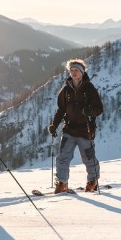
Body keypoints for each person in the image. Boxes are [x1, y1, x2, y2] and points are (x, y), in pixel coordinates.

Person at [49, 58, 104, 192]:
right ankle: (62, 183)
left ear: (82, 72)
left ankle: (92, 181)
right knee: (63, 157)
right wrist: (54, 125)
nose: (73, 73)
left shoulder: (89, 88)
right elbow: (61, 109)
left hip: (85, 129)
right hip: (69, 128)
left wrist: (89, 111)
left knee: (88, 158)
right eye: (71, 70)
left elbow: (99, 108)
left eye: (76, 70)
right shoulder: (66, 90)